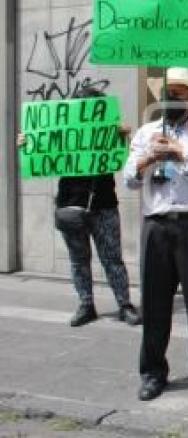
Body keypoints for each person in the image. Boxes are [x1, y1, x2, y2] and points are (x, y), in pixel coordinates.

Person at [124, 67, 188, 401]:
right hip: (157, 225)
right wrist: (147, 158)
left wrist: (179, 151)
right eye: (169, 93)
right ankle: (153, 372)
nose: (172, 98)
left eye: (180, 93)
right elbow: (129, 178)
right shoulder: (145, 132)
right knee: (154, 302)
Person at [17, 88, 140, 328]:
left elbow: (129, 161)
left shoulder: (110, 133)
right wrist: (27, 144)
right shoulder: (63, 135)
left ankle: (124, 304)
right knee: (78, 259)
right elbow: (40, 153)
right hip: (70, 205)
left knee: (112, 258)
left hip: (104, 205)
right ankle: (86, 304)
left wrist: (126, 137)